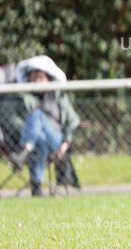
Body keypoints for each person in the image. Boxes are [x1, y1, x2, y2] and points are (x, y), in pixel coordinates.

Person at [2, 56, 81, 197]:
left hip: (56, 140)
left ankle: (24, 152)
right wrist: (28, 128)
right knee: (39, 137)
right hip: (33, 140)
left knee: (37, 115)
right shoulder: (19, 95)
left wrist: (66, 142)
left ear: (48, 78)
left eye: (40, 77)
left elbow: (74, 120)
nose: (37, 81)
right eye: (33, 77)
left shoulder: (58, 96)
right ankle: (37, 192)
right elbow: (6, 115)